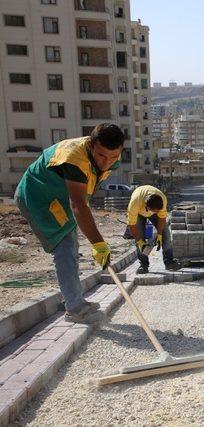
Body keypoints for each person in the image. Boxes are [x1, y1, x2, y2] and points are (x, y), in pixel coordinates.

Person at [15, 124, 124, 324]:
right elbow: (79, 205)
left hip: (60, 199)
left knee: (71, 247)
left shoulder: (110, 159)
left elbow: (84, 194)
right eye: (101, 156)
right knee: (64, 247)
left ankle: (75, 300)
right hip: (38, 197)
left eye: (113, 157)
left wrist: (94, 237)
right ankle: (75, 308)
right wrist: (99, 244)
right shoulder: (74, 157)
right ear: (91, 145)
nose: (106, 163)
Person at [127, 185, 181, 274]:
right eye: (154, 211)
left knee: (166, 234)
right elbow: (132, 225)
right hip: (138, 213)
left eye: (157, 211)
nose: (155, 213)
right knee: (139, 237)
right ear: (147, 207)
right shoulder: (135, 203)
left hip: (151, 207)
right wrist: (140, 241)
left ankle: (169, 262)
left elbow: (162, 218)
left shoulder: (162, 200)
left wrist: (159, 235)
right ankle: (143, 265)